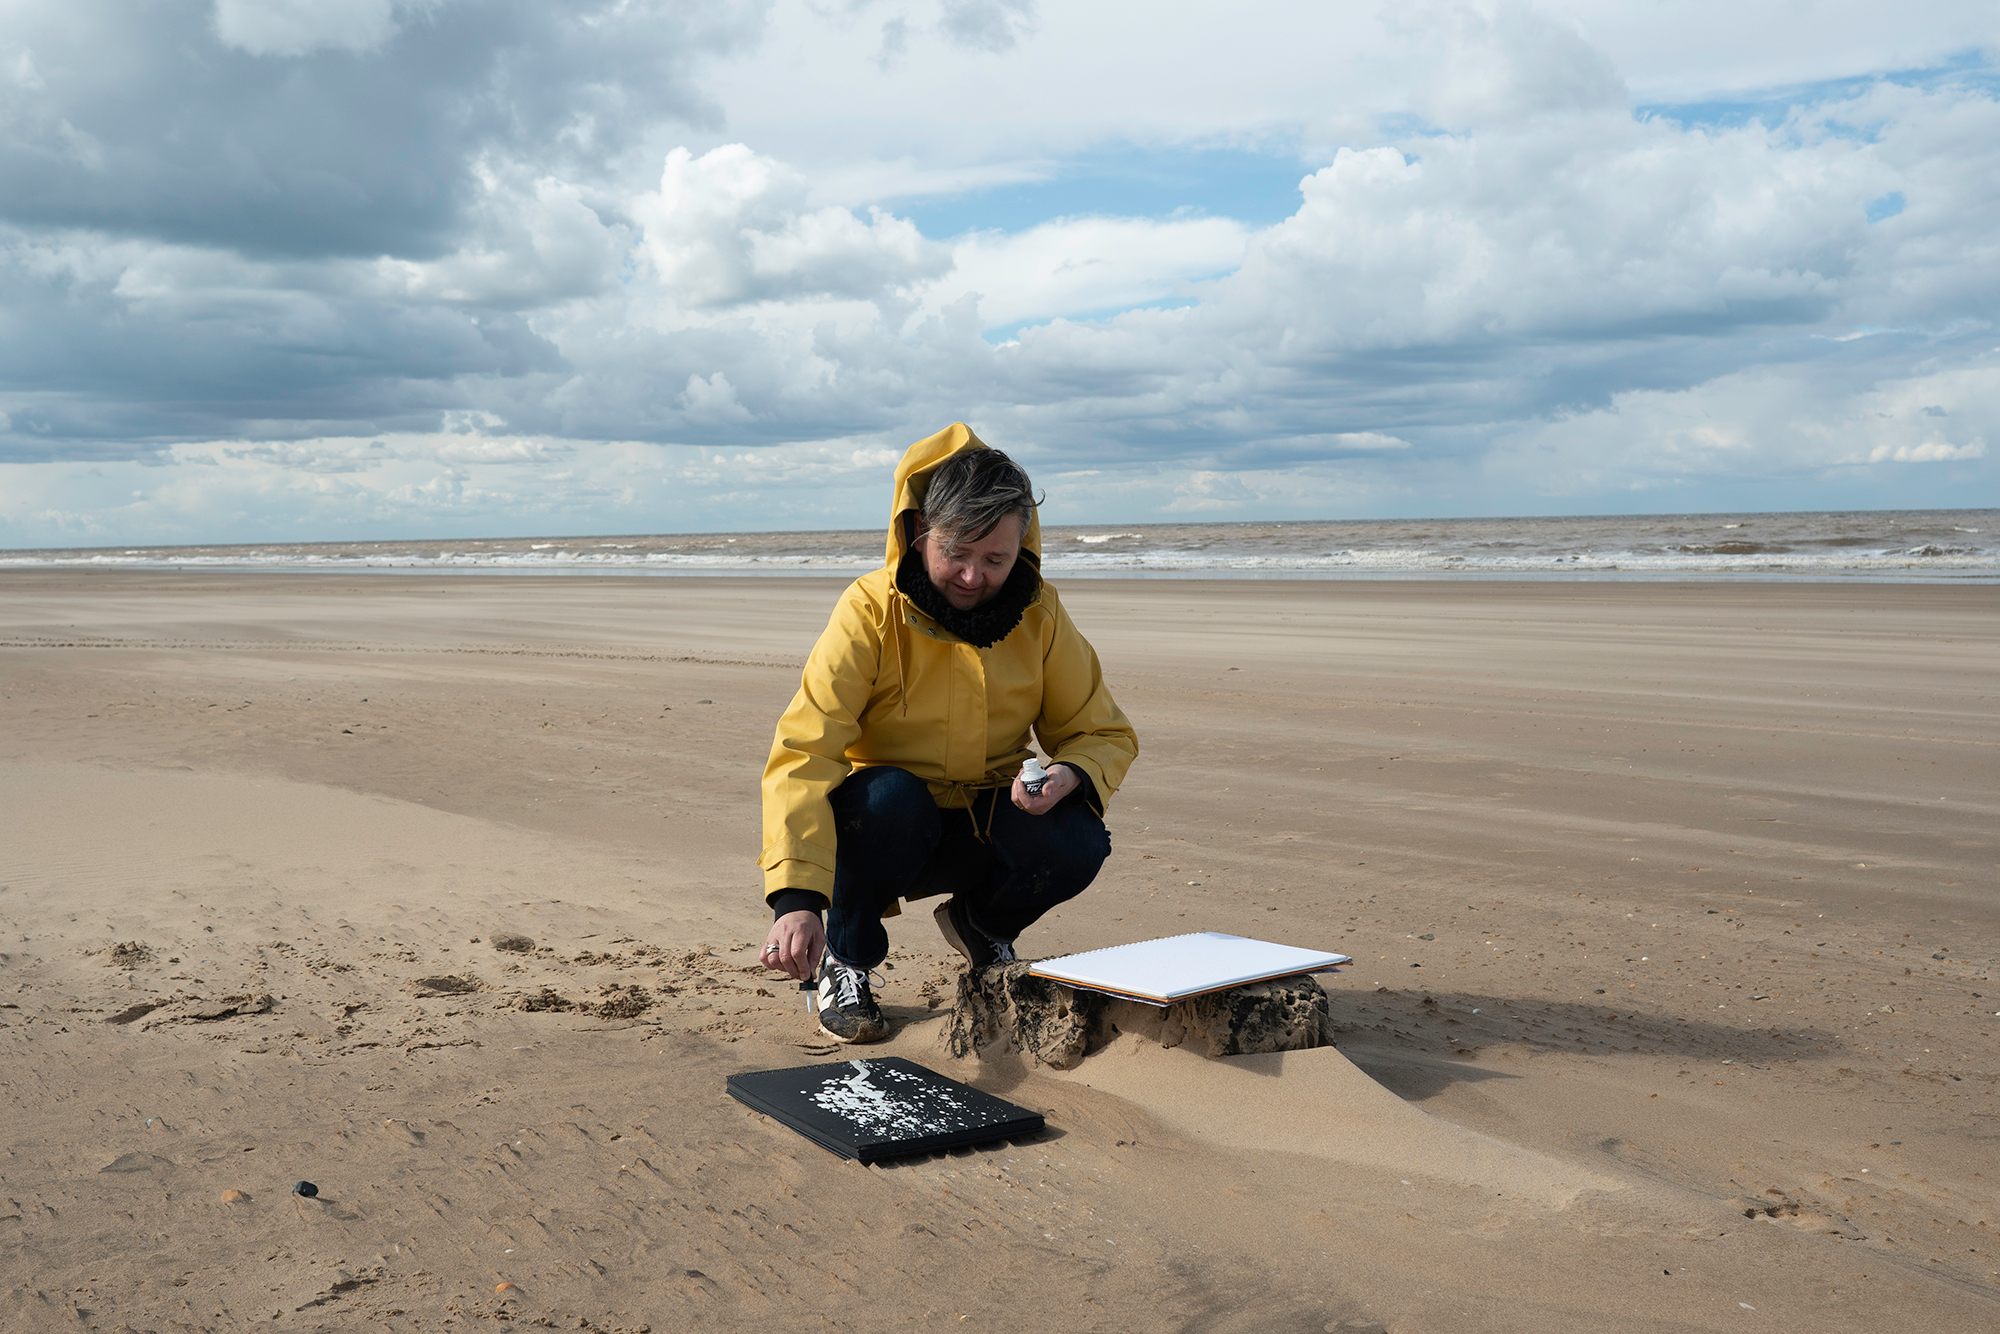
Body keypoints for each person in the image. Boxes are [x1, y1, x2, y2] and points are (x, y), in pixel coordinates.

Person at [757, 422, 1139, 1042]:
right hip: (881, 828)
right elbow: (804, 750)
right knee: (889, 800)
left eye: (995, 559)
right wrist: (795, 898)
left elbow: (1103, 732)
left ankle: (983, 926)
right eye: (955, 554)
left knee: (1078, 837)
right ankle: (845, 958)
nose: (972, 577)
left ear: (1022, 546)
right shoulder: (868, 611)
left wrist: (1071, 773)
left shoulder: (1038, 613)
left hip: (986, 819)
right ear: (917, 533)